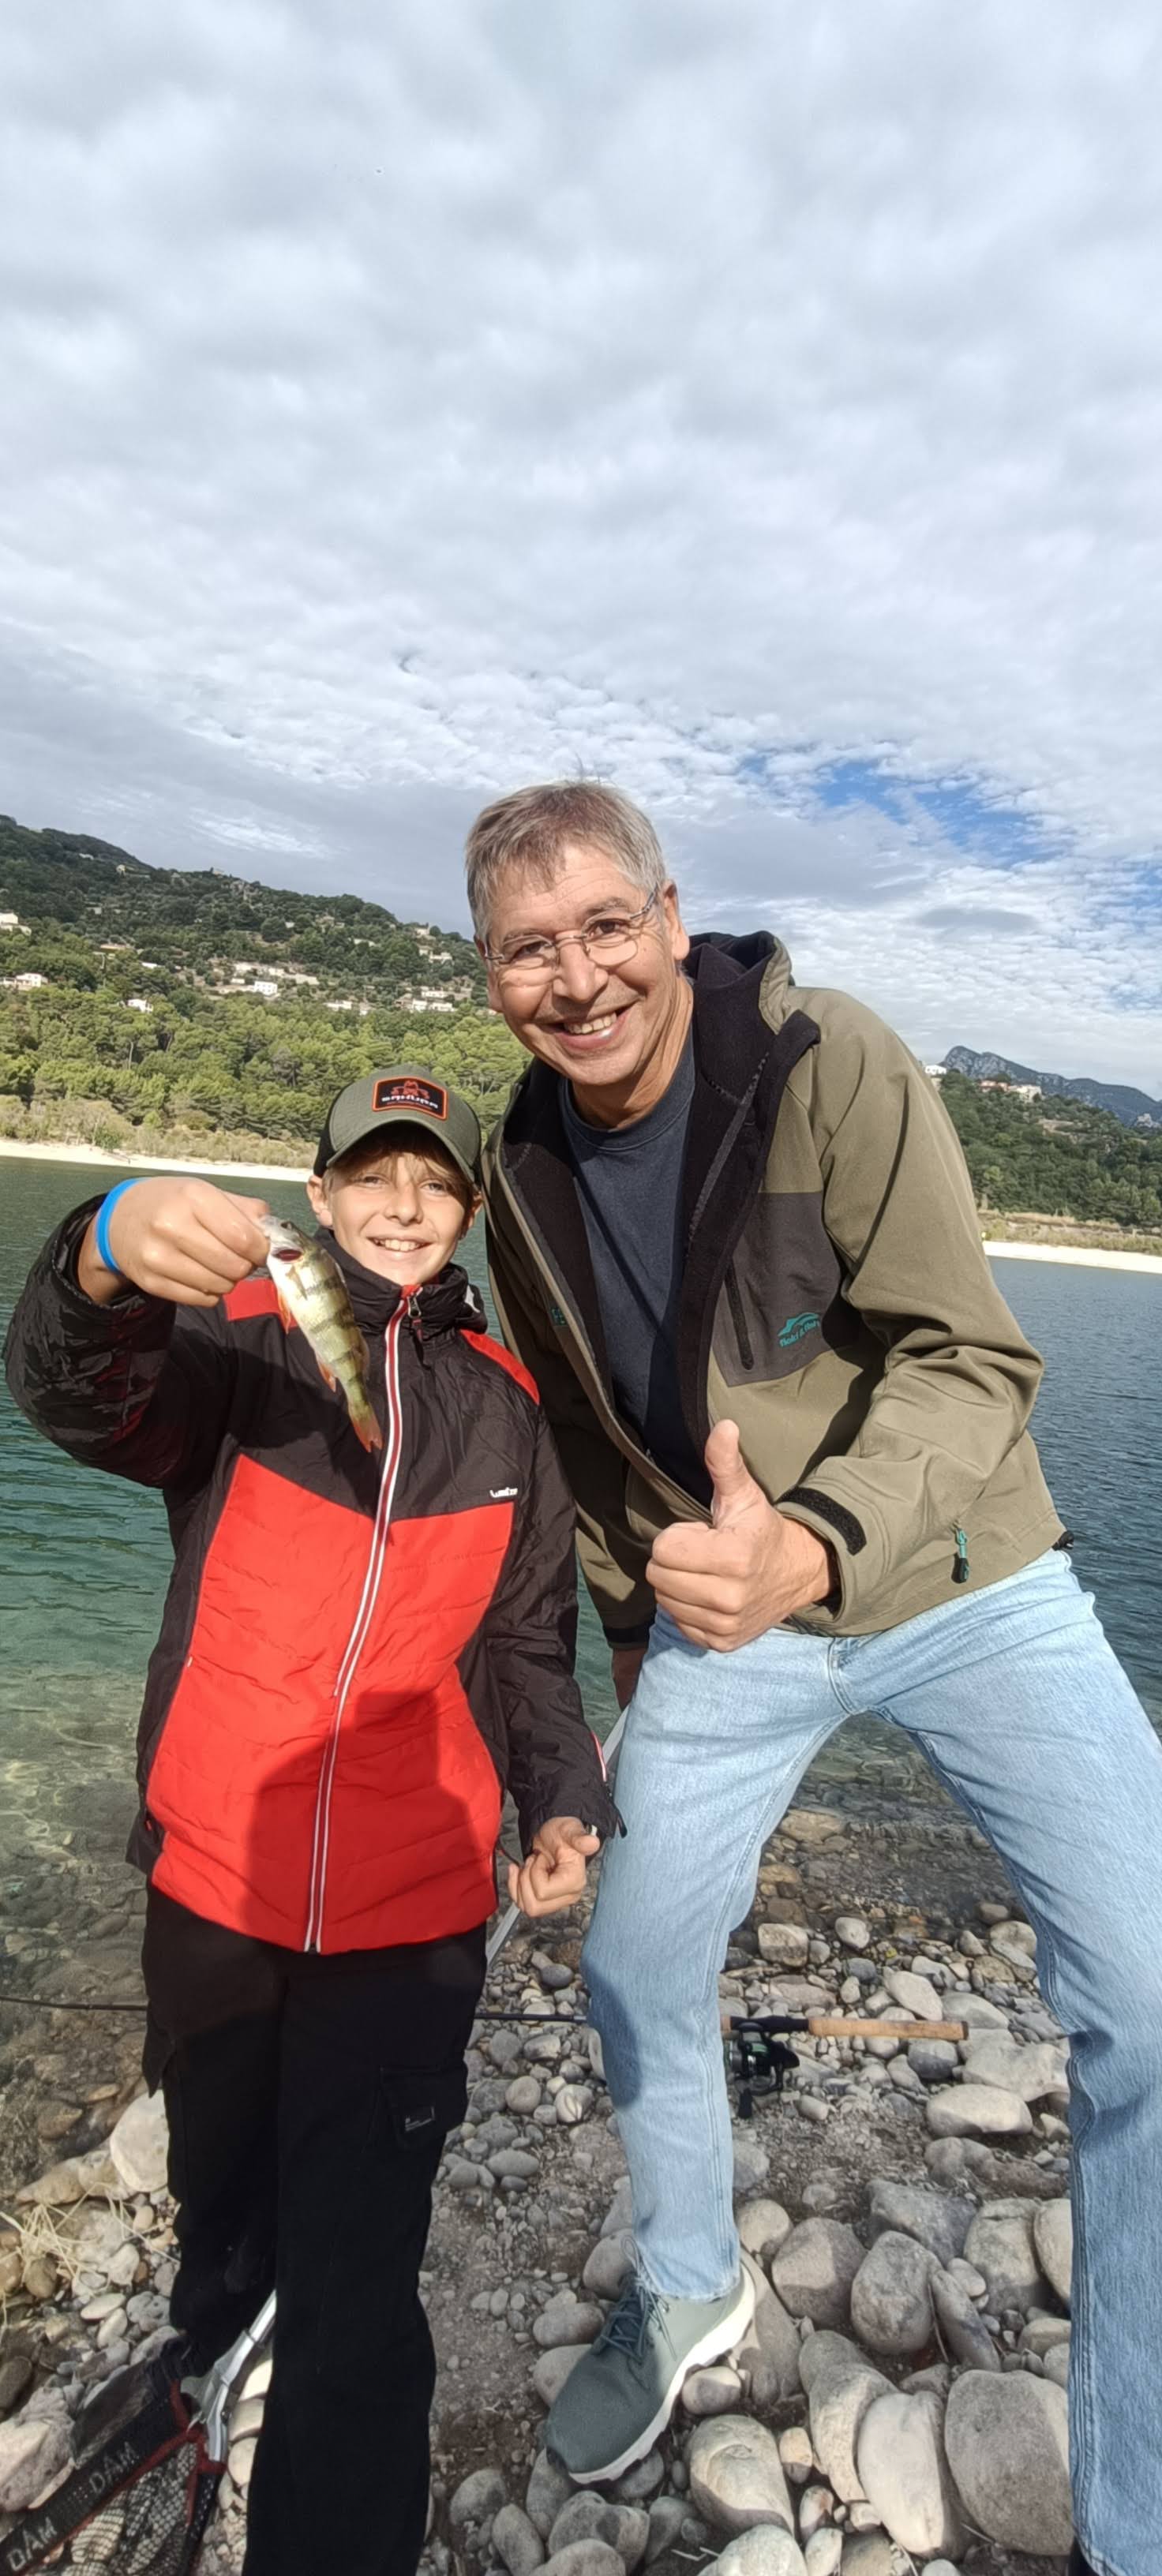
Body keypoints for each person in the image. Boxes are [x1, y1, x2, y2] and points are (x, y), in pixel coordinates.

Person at [467, 780, 1162, 2576]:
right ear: (488, 975)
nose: (577, 978)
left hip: (963, 1575)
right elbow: (590, 1452)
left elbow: (971, 1358)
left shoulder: (826, 1060)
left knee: (1154, 1999)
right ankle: (688, 2282)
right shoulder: (515, 1172)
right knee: (632, 1960)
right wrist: (634, 1643)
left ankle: (1136, 2511)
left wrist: (821, 1539)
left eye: (604, 927)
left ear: (669, 916)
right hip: (730, 1623)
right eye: (528, 950)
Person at [5, 1065, 619, 2576]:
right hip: (214, 1882)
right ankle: (209, 2369)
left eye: (436, 1180)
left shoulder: (511, 1408)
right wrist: (101, 1248)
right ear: (322, 1192)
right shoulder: (233, 1343)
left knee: (358, 2294)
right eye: (373, 1173)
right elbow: (77, 1394)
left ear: (467, 1211)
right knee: (219, 2211)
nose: (404, 1204)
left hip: (412, 1923)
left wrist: (561, 1800)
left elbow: (526, 1644)